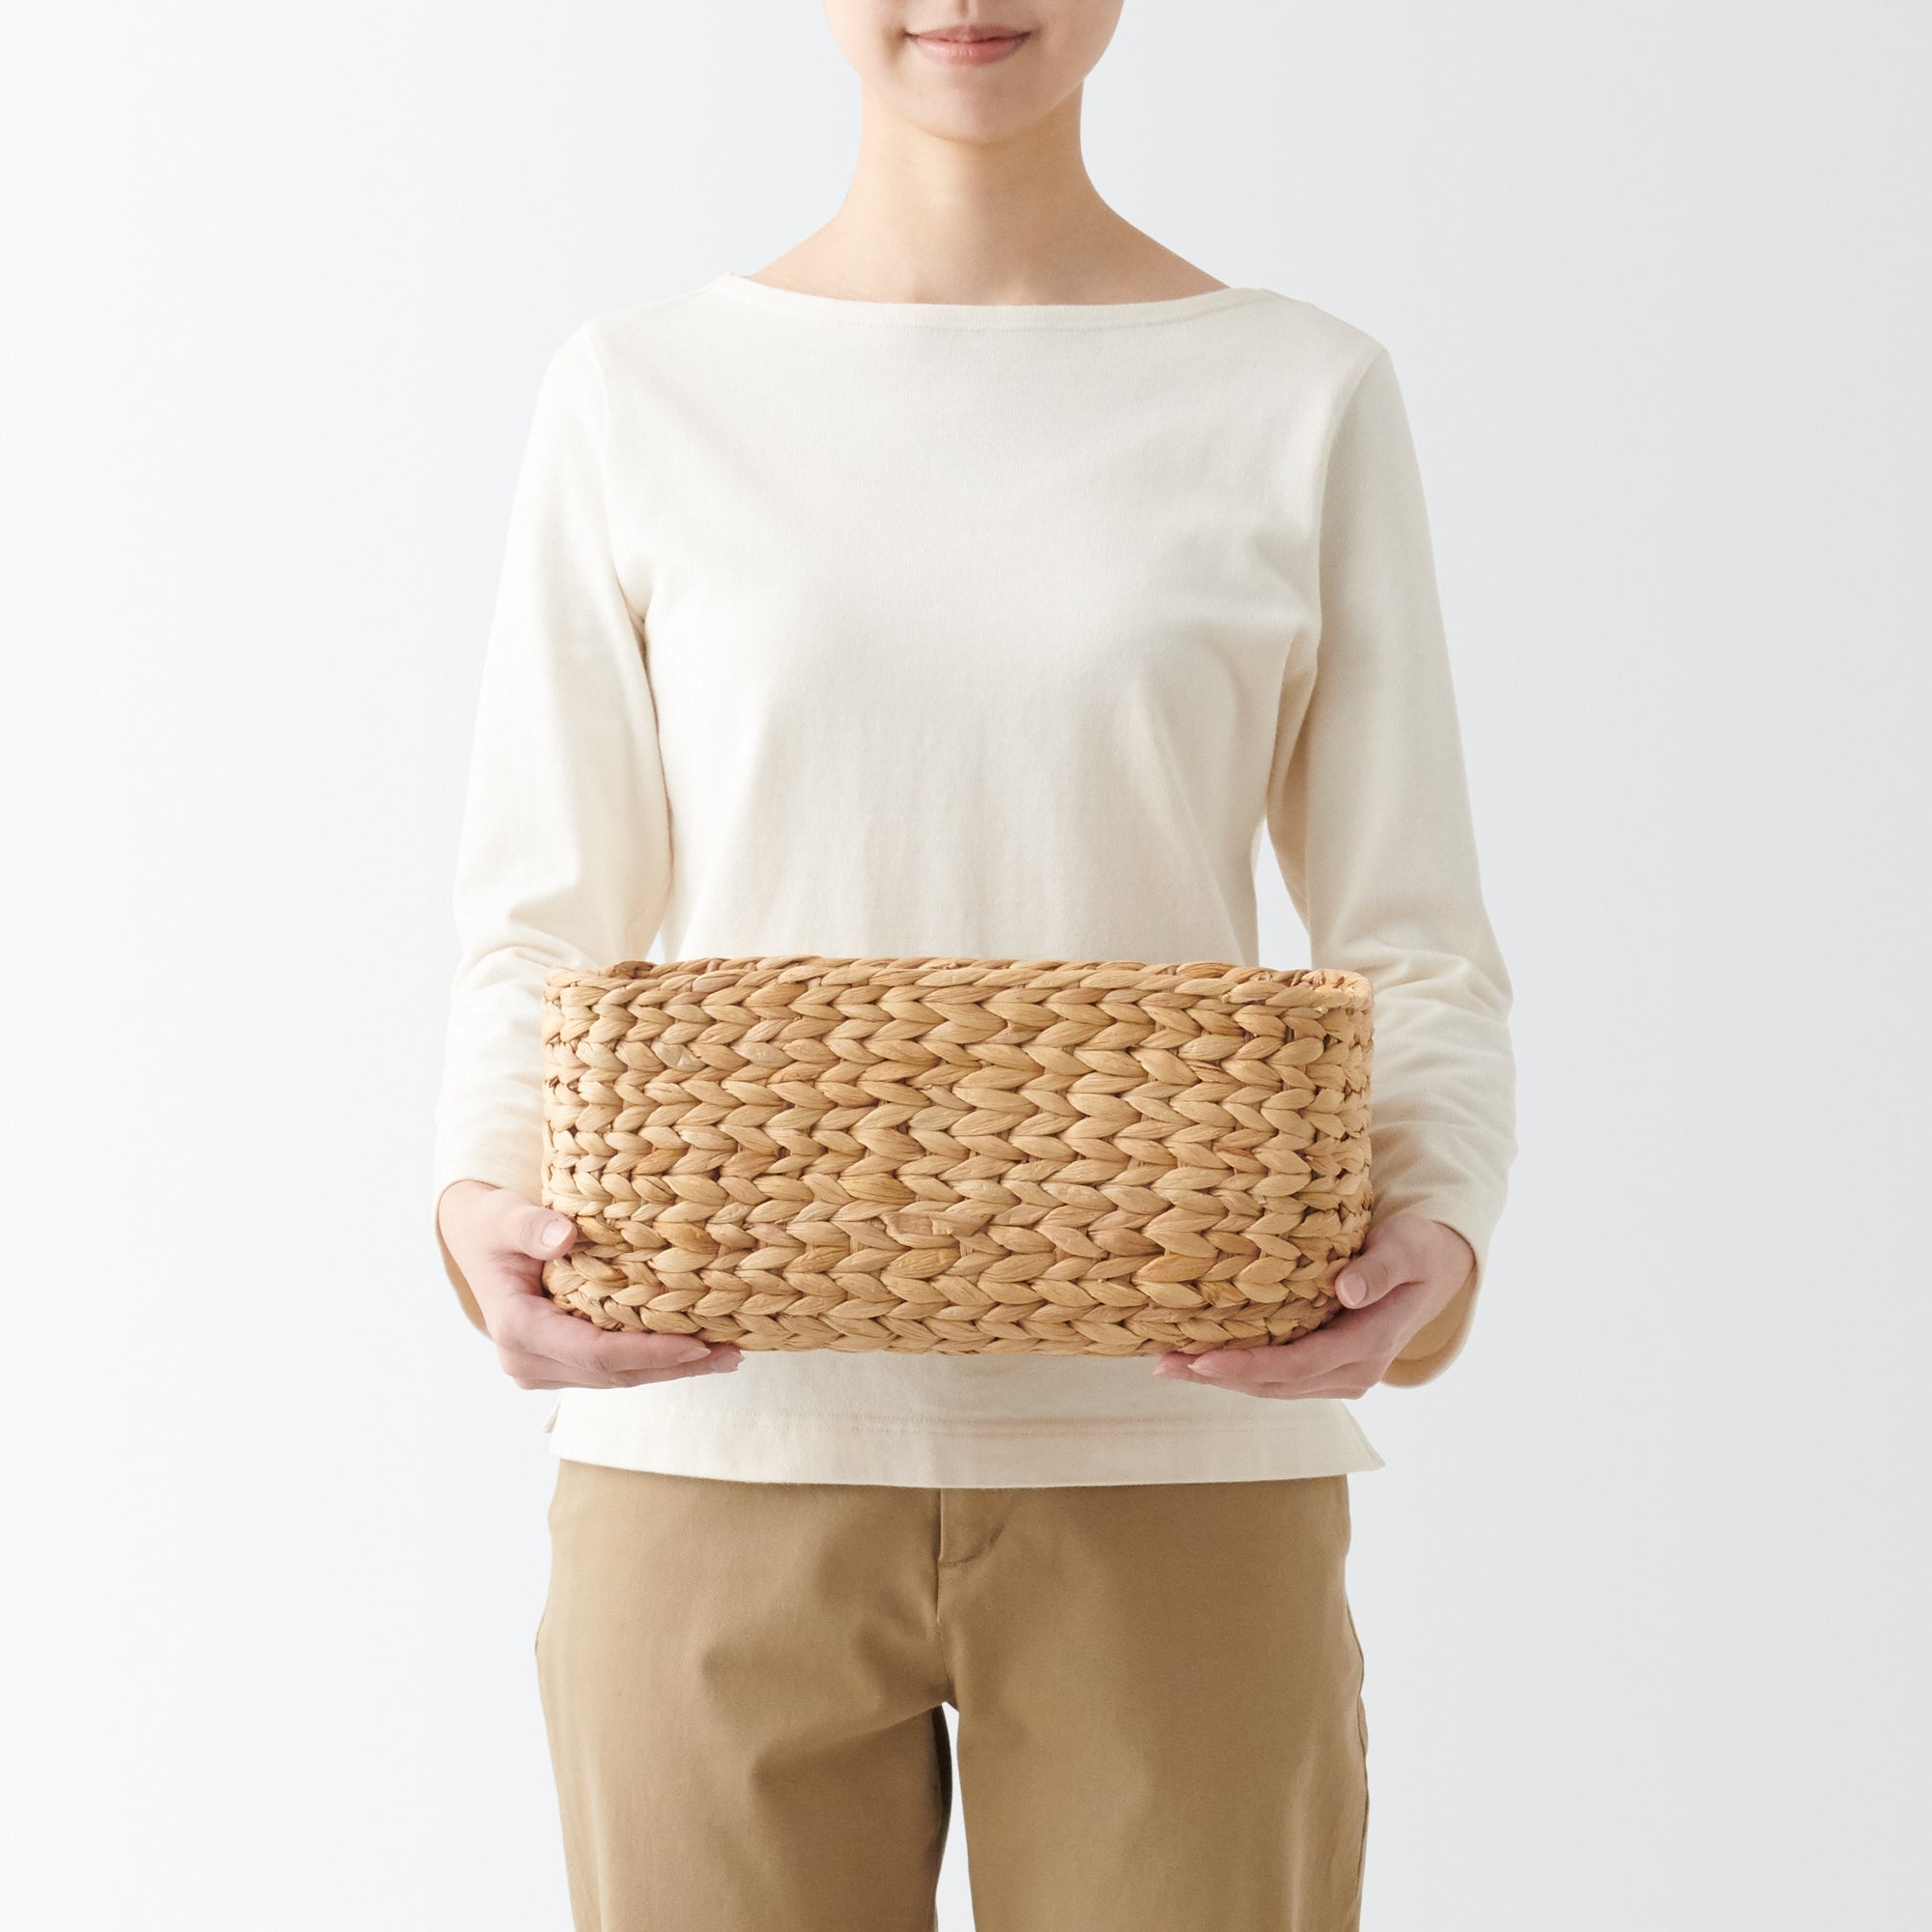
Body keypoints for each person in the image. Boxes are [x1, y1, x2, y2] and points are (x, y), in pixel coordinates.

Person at [431, 5, 1516, 1926]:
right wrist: (478, 1214)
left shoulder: (1297, 392)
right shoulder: (637, 392)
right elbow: (539, 916)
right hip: (716, 1446)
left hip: (1181, 1451)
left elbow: (1408, 925)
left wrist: (1433, 1220)